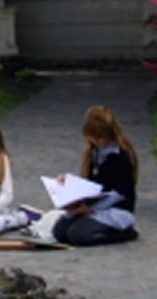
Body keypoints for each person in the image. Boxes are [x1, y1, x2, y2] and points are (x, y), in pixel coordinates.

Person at [52, 105, 140, 246]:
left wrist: (92, 209)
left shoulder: (120, 156)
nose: (95, 141)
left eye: (98, 137)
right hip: (93, 205)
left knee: (77, 235)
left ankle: (123, 233)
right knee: (60, 232)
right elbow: (92, 183)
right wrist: (69, 183)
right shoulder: (95, 152)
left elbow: (118, 193)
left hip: (116, 208)